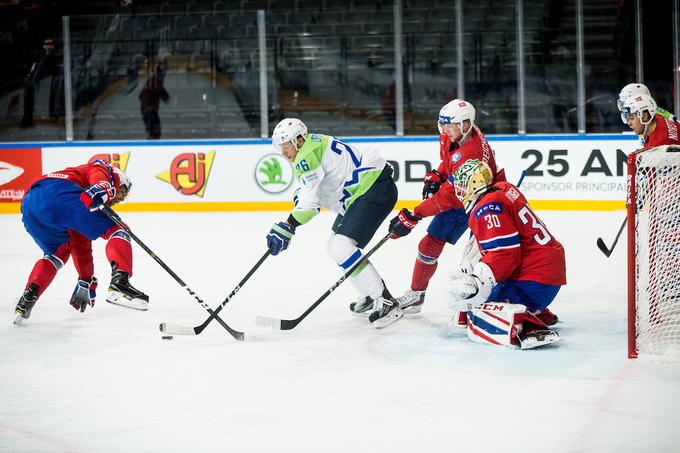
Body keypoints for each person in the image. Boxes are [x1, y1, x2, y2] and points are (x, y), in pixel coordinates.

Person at [265, 118, 401, 328]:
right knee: (334, 246)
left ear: (298, 140)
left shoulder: (306, 155)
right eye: (280, 148)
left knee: (341, 247)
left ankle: (385, 301)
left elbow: (310, 206)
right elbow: (311, 191)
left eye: (286, 147)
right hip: (365, 190)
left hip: (373, 189)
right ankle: (369, 293)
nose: (283, 153)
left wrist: (288, 225)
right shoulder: (312, 145)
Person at [385, 99, 507, 322]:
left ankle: (490, 300)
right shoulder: (459, 133)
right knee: (428, 244)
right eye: (443, 125)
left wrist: (415, 214)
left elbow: (447, 197)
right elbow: (449, 160)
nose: (445, 130)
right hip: (463, 194)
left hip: (483, 202)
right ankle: (416, 294)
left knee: (478, 260)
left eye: (450, 126)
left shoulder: (472, 153)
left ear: (466, 124)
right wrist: (438, 174)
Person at [447, 159, 566, 349]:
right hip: (544, 267)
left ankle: (527, 326)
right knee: (476, 303)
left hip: (534, 275)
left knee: (475, 314)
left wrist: (479, 281)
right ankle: (536, 311)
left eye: (463, 184)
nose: (460, 191)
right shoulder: (503, 189)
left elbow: (505, 253)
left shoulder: (487, 207)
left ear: (475, 183)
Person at [15, 159, 148, 324]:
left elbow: (81, 245)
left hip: (30, 205)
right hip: (59, 194)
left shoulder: (86, 202)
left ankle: (29, 294)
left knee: (57, 254)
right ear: (119, 183)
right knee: (119, 230)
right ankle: (120, 281)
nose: (119, 201)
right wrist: (103, 187)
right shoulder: (105, 171)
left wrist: (85, 279)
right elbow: (98, 169)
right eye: (122, 194)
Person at [21, 37, 58, 128]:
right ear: (43, 46)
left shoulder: (51, 57)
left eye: (50, 44)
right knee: (29, 103)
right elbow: (33, 70)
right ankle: (27, 121)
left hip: (43, 83)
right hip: (34, 84)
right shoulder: (39, 57)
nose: (49, 46)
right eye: (47, 44)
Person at [139, 58, 169, 139]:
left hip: (149, 107)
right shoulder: (155, 80)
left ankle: (153, 136)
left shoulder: (156, 80)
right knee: (154, 127)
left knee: (154, 128)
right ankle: (152, 138)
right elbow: (159, 90)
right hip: (148, 108)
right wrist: (166, 97)